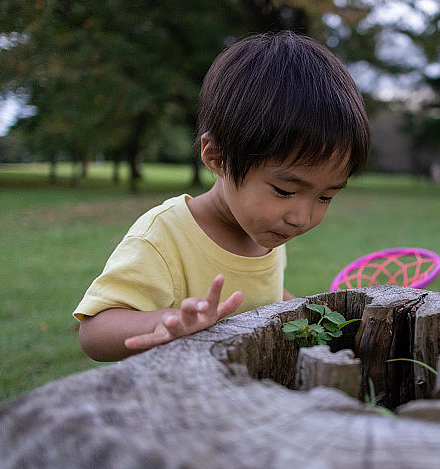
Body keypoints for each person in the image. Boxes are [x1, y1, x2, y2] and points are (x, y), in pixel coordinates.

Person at [74, 31, 371, 361]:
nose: (301, 217)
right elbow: (94, 331)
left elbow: (263, 296)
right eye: (285, 190)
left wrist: (300, 310)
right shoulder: (164, 237)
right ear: (217, 156)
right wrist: (163, 323)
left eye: (325, 197)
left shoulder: (267, 228)